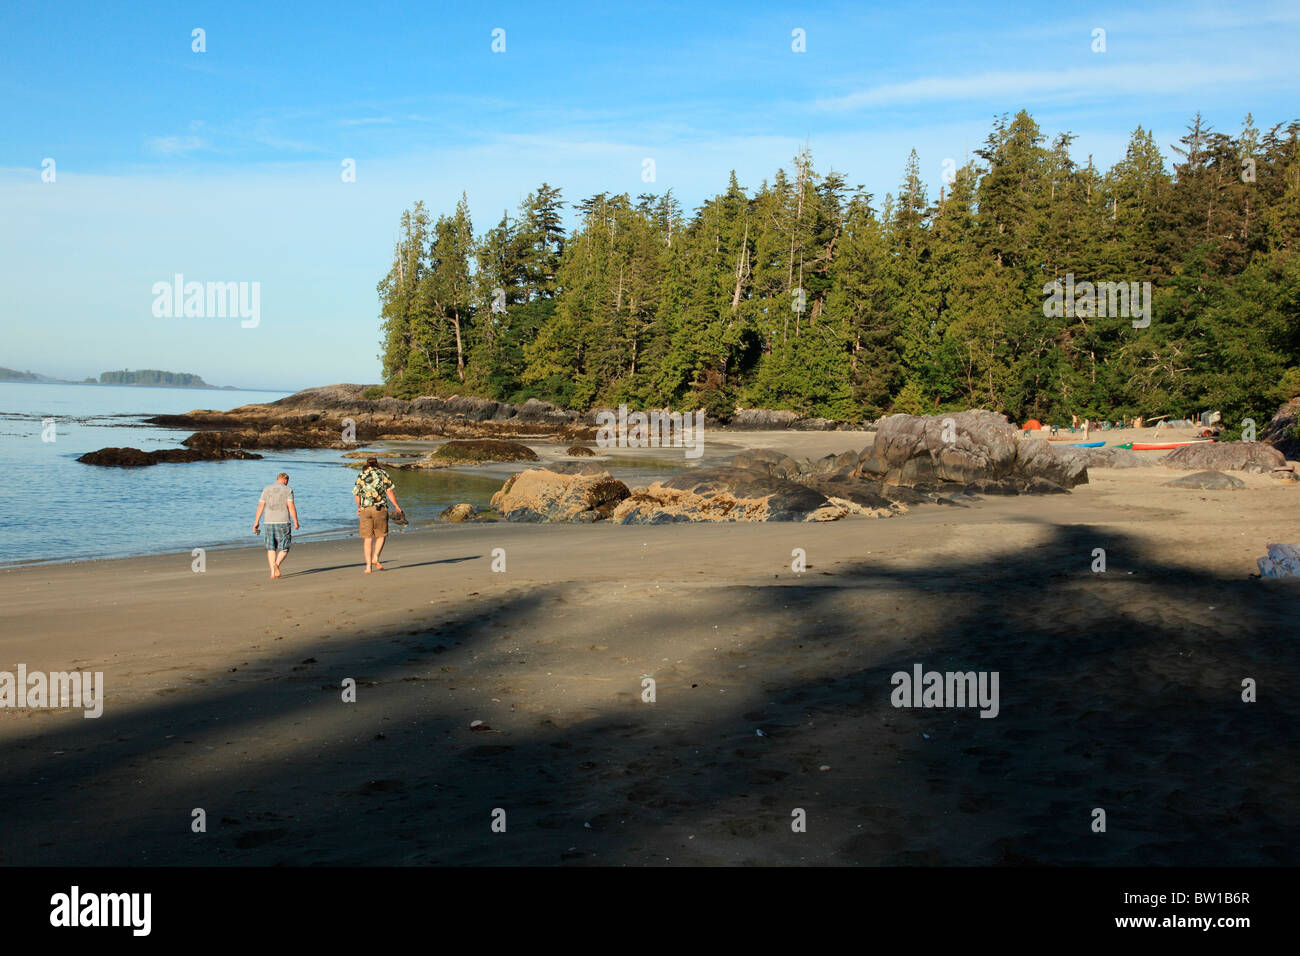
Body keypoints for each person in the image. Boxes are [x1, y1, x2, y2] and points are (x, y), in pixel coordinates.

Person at [352, 457, 404, 573]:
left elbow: (356, 493)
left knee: (367, 538)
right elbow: (389, 492)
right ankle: (375, 558)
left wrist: (359, 507)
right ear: (377, 464)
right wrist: (396, 506)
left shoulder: (362, 475)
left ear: (367, 464)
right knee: (381, 535)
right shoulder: (383, 474)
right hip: (380, 509)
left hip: (365, 510)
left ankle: (368, 567)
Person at [253, 472, 300, 580]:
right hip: (283, 522)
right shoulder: (288, 490)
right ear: (285, 480)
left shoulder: (266, 489)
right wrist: (296, 521)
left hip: (268, 522)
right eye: (287, 481)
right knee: (284, 548)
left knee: (271, 548)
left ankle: (272, 573)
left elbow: (261, 506)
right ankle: (276, 565)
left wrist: (256, 521)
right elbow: (291, 506)